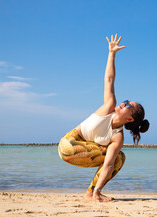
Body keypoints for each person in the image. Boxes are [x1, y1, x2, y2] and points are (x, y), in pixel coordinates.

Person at [58, 34, 150, 202]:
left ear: (130, 119)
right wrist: (111, 54)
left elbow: (108, 164)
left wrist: (98, 190)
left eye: (129, 106)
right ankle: (95, 194)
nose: (124, 103)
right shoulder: (109, 107)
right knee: (115, 157)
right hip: (68, 144)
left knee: (119, 158)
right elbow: (109, 80)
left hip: (85, 151)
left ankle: (91, 193)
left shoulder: (118, 138)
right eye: (126, 101)